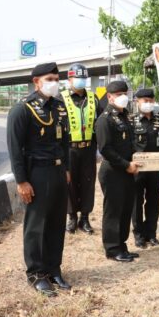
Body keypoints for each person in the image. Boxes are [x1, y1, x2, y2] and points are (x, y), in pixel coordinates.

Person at [7, 62, 71, 296]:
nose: (55, 82)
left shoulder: (59, 106)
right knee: (36, 226)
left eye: (56, 78)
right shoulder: (22, 109)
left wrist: (67, 168)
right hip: (37, 173)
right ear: (36, 81)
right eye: (50, 78)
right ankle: (36, 273)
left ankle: (54, 269)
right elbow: (15, 150)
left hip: (57, 171)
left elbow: (65, 141)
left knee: (56, 223)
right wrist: (22, 181)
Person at [95, 80, 142, 263]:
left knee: (125, 209)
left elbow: (131, 143)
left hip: (127, 170)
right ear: (109, 97)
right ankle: (112, 249)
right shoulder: (104, 119)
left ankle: (122, 245)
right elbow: (105, 149)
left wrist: (138, 159)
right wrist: (126, 164)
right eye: (118, 94)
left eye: (125, 93)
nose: (123, 97)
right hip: (113, 170)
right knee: (113, 211)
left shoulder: (127, 116)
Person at [60, 63, 102, 235]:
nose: (80, 81)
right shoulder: (60, 99)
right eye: (77, 78)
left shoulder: (93, 98)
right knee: (70, 183)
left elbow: (100, 123)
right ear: (69, 79)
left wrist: (100, 148)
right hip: (69, 149)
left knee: (87, 183)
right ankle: (72, 218)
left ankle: (85, 218)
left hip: (88, 149)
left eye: (83, 78)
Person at [130, 88, 159, 248]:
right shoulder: (131, 121)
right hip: (137, 169)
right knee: (136, 202)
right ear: (137, 101)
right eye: (144, 100)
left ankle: (151, 234)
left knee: (153, 202)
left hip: (155, 168)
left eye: (150, 100)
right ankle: (138, 235)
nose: (148, 103)